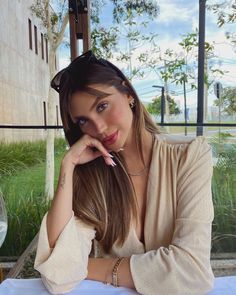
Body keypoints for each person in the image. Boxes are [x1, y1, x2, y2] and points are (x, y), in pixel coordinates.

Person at [34, 50, 214, 295]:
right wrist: (68, 167)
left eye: (102, 106)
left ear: (128, 92)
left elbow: (192, 271)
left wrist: (96, 269)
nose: (98, 127)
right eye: (83, 121)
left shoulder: (189, 156)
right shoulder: (92, 175)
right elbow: (57, 273)